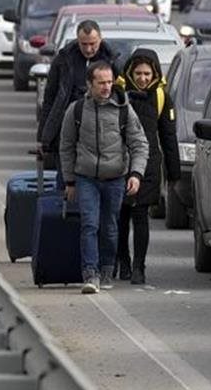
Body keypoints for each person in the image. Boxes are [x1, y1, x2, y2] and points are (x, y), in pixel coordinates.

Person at [59, 62, 149, 293]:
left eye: (110, 82)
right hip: (86, 178)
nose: (106, 87)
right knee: (89, 224)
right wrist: (69, 181)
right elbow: (66, 146)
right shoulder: (76, 110)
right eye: (101, 83)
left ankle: (107, 268)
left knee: (109, 227)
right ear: (90, 84)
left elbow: (139, 143)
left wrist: (136, 174)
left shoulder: (123, 109)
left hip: (115, 178)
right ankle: (91, 273)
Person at [114, 49, 181, 284]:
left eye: (147, 73)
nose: (142, 78)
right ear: (130, 72)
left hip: (149, 165)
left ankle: (138, 266)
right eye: (138, 73)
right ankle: (121, 259)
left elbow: (168, 137)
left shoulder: (162, 96)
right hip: (119, 163)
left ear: (155, 74)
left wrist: (174, 174)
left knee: (140, 215)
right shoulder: (118, 93)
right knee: (121, 215)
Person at [39, 20, 117, 170]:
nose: (88, 49)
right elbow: (50, 98)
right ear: (77, 40)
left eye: (93, 44)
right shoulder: (63, 60)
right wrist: (44, 136)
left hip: (100, 133)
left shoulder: (112, 62)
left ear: (100, 39)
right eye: (84, 44)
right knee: (65, 181)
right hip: (67, 130)